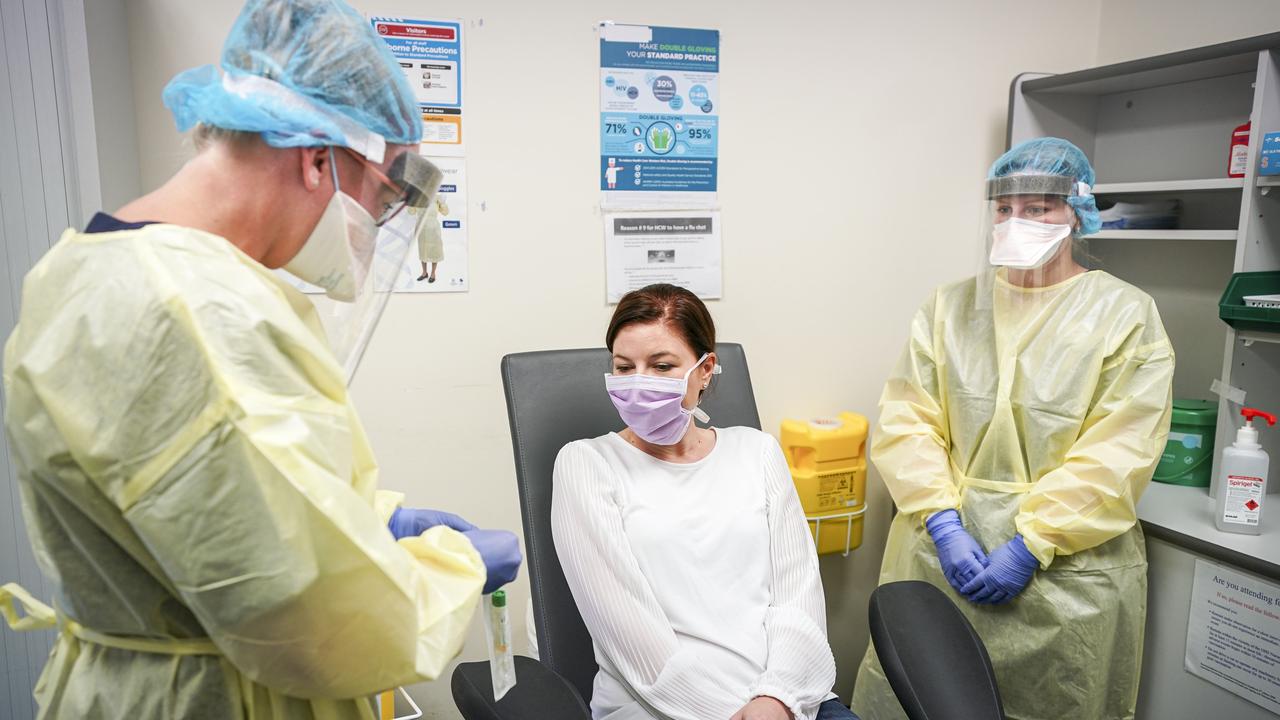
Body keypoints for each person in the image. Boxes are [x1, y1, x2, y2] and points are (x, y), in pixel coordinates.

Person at [0, 1, 520, 717]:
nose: (373, 225)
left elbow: (210, 509)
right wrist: (455, 570)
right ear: (315, 159)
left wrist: (372, 522)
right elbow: (320, 627)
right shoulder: (197, 310)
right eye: (383, 192)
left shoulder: (80, 269)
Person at [851, 137, 1175, 720]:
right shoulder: (948, 307)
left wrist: (1031, 544)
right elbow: (908, 419)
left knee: (1055, 704)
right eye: (1005, 209)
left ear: (1077, 212)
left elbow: (1121, 447)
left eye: (1038, 208)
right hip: (941, 556)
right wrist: (944, 523)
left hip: (1067, 578)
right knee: (922, 699)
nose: (1016, 221)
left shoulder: (1125, 314)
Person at [552, 284, 857, 720]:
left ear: (705, 369)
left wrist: (778, 699)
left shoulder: (758, 453)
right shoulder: (587, 465)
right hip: (659, 707)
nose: (640, 383)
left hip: (784, 701)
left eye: (661, 366)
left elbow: (798, 597)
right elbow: (632, 639)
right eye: (624, 367)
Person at [412, 194, 449, 282]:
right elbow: (411, 212)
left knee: (434, 251)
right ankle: (424, 273)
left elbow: (445, 213)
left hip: (433, 228)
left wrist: (443, 203)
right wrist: (411, 201)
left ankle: (433, 273)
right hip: (422, 227)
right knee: (423, 250)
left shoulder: (437, 197)